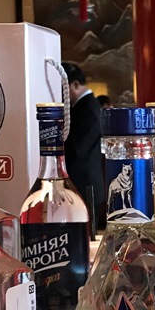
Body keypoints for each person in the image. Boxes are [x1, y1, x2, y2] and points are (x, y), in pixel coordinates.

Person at [62, 62, 105, 229]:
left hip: (84, 184)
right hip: (82, 182)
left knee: (84, 234)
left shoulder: (87, 109)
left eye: (63, 88)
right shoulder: (83, 107)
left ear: (75, 84)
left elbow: (77, 149)